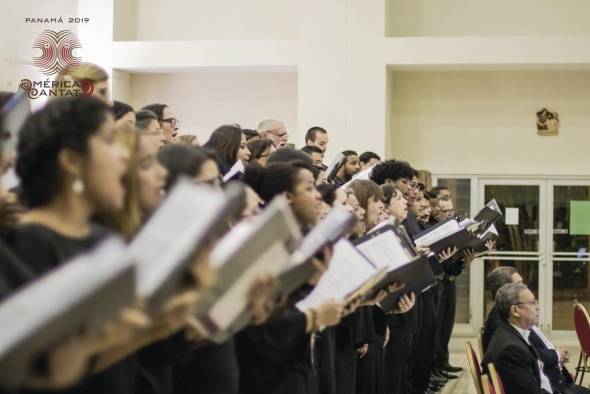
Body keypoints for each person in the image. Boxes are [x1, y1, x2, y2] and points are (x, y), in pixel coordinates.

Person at [483, 283, 589, 394]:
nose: (537, 307)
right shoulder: (511, 349)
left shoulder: (510, 333)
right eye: (532, 303)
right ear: (515, 310)